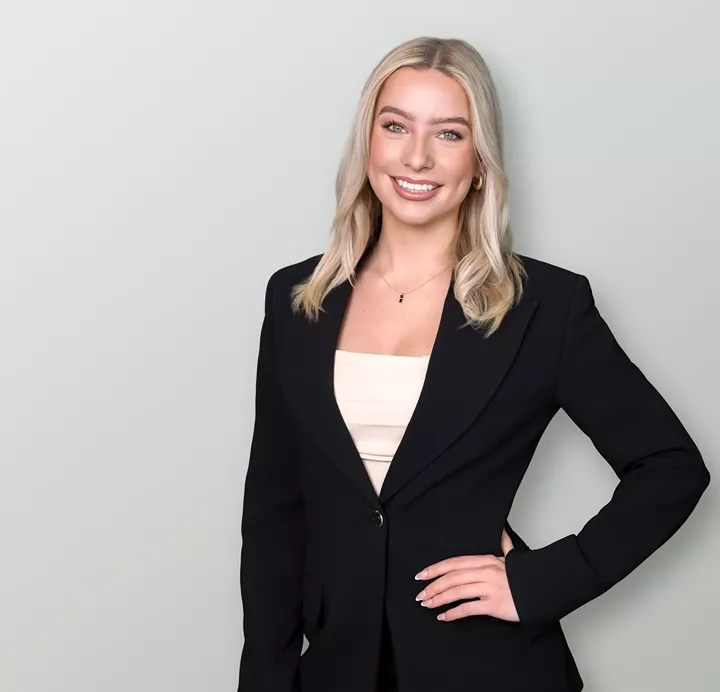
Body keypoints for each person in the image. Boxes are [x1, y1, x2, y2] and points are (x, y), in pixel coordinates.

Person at [236, 36, 710, 692]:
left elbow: (671, 467)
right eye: (395, 126)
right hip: (337, 668)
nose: (417, 156)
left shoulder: (547, 308)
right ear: (367, 142)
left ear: (481, 161)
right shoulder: (296, 300)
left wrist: (543, 581)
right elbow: (273, 513)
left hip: (490, 667)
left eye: (449, 133)